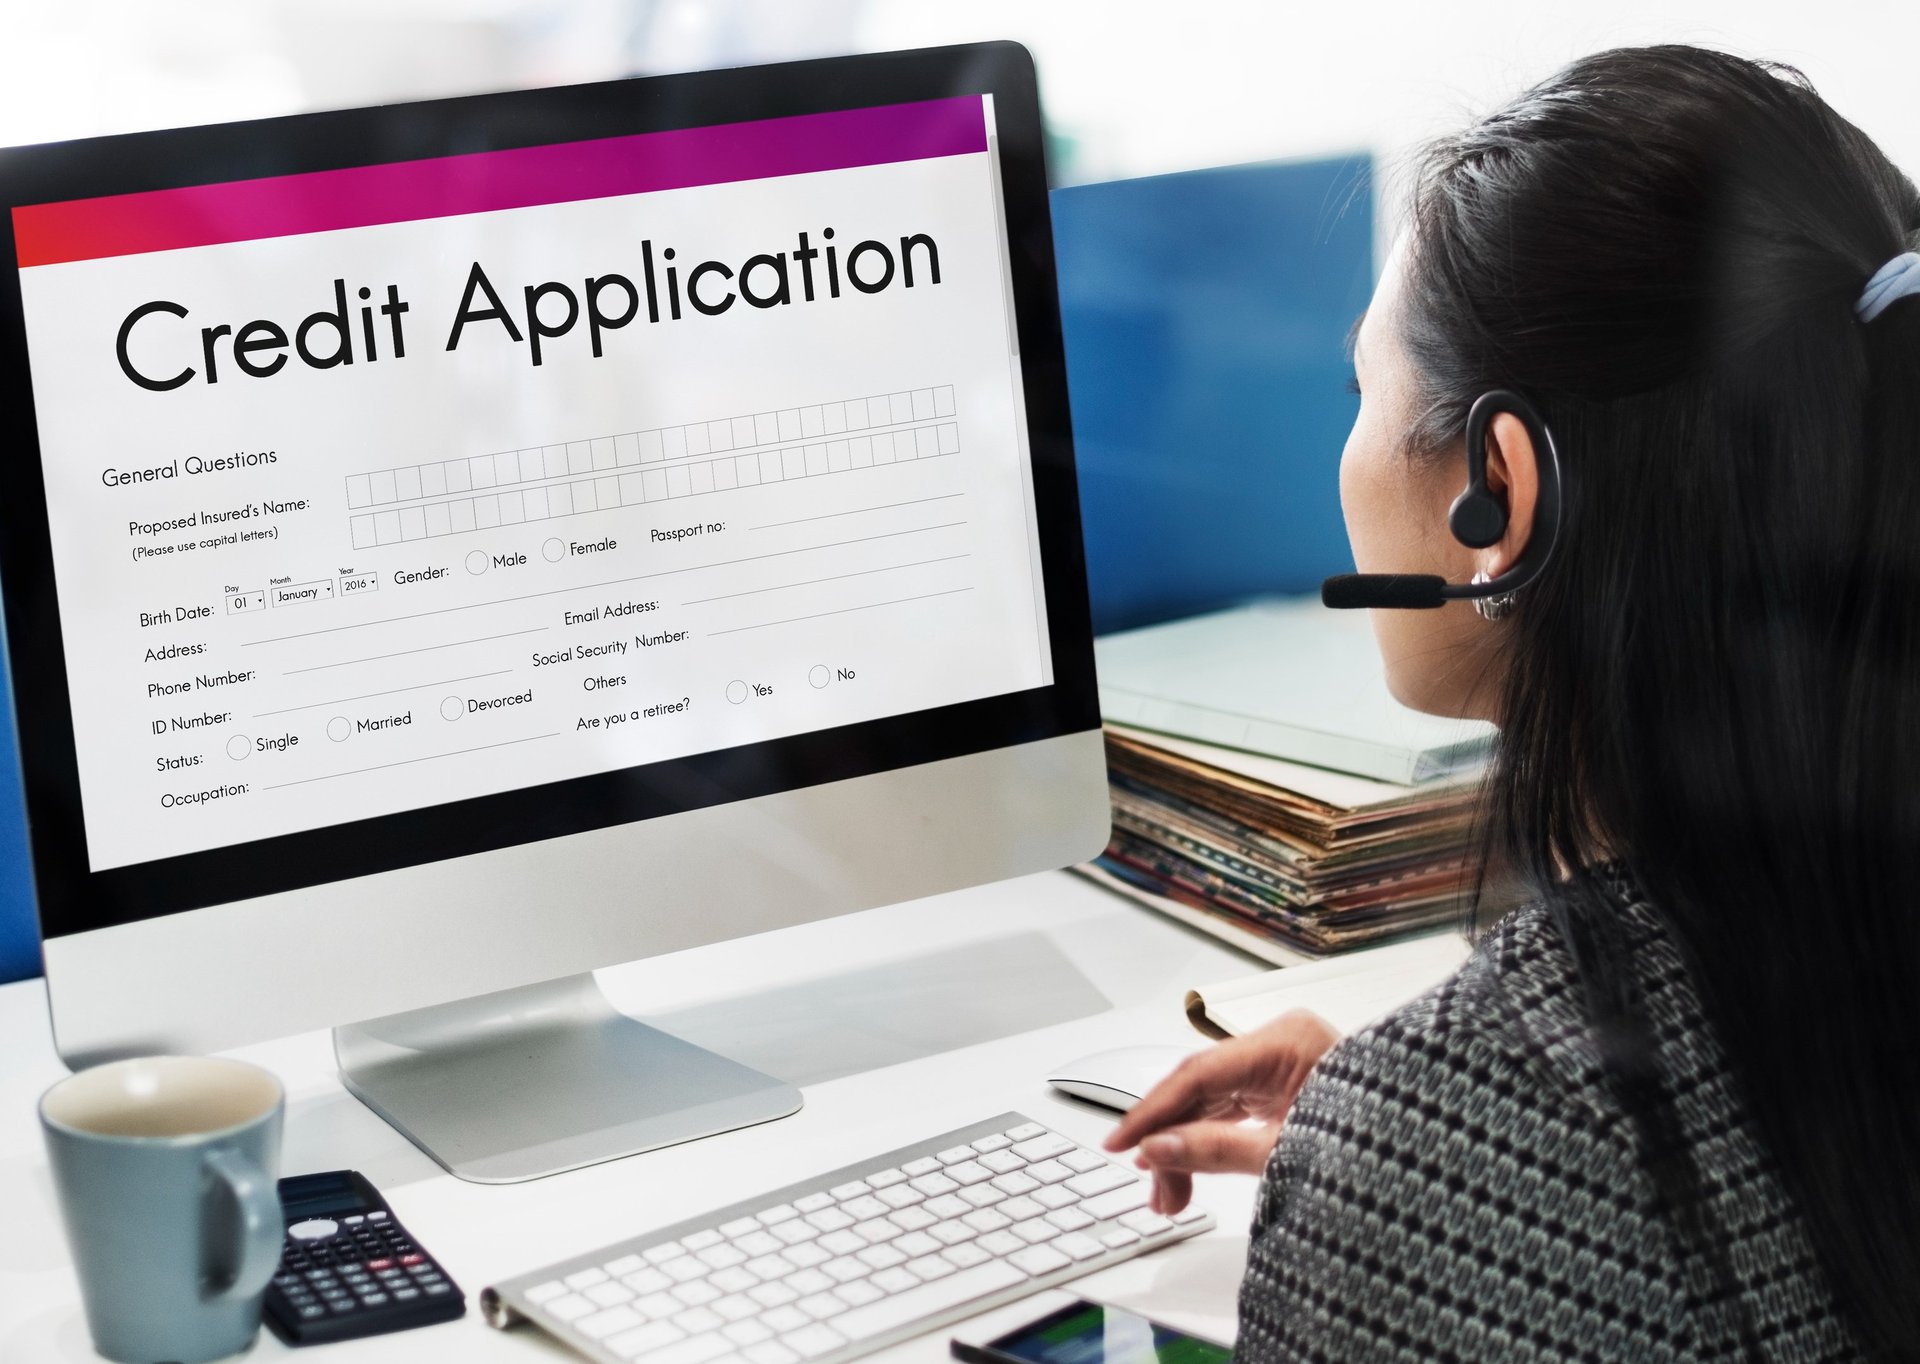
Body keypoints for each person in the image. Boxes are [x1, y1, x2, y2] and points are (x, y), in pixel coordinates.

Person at [1106, 45, 1920, 1362]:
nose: (1349, 449)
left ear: (1500, 491)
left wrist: (1430, 1146)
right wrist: (1457, 1115)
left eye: (1363, 391)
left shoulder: (1438, 1144)